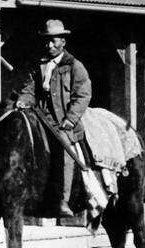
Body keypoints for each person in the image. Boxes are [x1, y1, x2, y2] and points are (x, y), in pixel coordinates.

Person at [14, 17, 105, 215]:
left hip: (63, 122)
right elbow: (29, 89)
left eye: (54, 40)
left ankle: (63, 201)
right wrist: (24, 99)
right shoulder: (38, 65)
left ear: (63, 42)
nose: (50, 44)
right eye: (47, 40)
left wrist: (70, 120)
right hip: (40, 118)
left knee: (64, 147)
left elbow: (83, 95)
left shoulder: (74, 66)